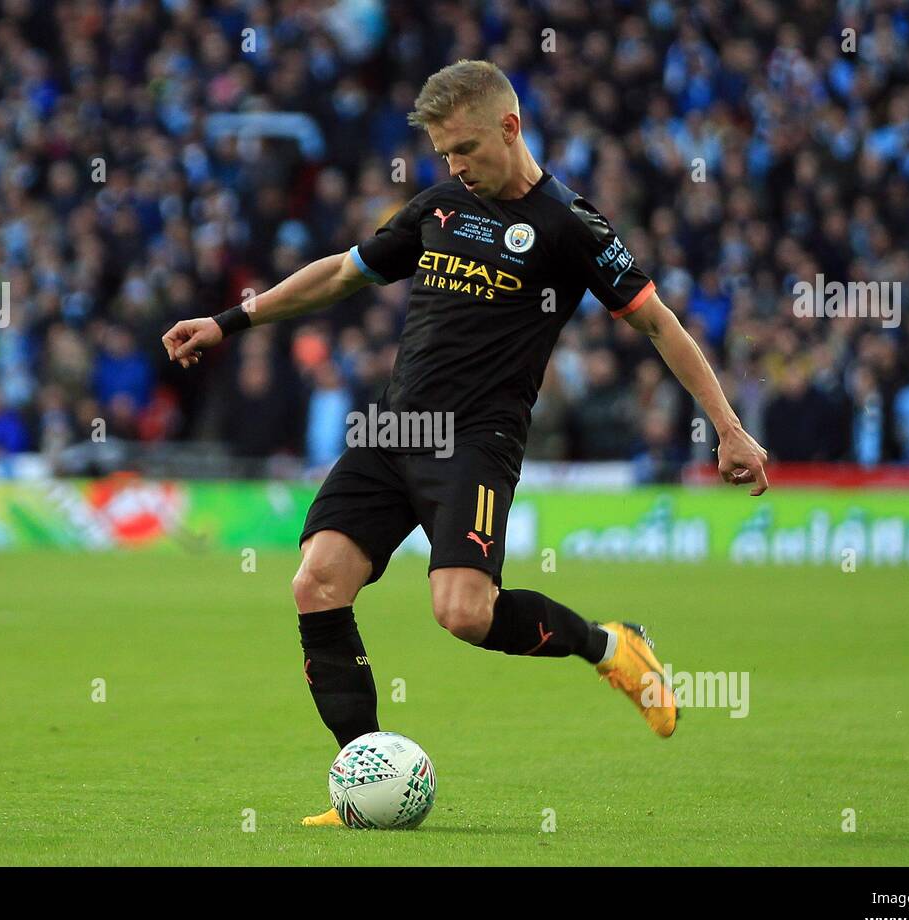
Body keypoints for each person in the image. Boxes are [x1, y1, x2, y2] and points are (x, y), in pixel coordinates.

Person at [162, 60, 769, 826]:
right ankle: (365, 781)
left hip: (475, 442)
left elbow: (658, 324)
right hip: (394, 429)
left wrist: (729, 427)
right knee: (316, 582)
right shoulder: (441, 205)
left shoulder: (570, 226)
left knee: (463, 614)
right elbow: (341, 276)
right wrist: (228, 321)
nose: (455, 167)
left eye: (466, 150)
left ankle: (611, 646)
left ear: (510, 128)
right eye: (444, 154)